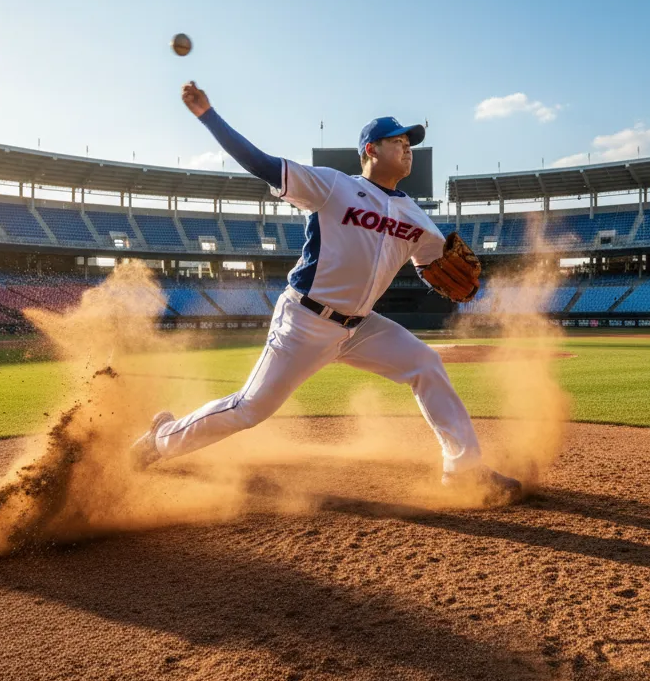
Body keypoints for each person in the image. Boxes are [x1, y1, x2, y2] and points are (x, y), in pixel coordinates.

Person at [129, 81, 522, 504]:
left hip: (362, 327)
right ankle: (161, 439)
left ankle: (464, 469)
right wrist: (208, 115)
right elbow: (262, 164)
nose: (407, 148)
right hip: (305, 321)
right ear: (371, 149)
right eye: (398, 141)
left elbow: (434, 268)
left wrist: (451, 280)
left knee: (425, 363)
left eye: (410, 143)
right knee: (249, 408)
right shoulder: (333, 186)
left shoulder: (416, 217)